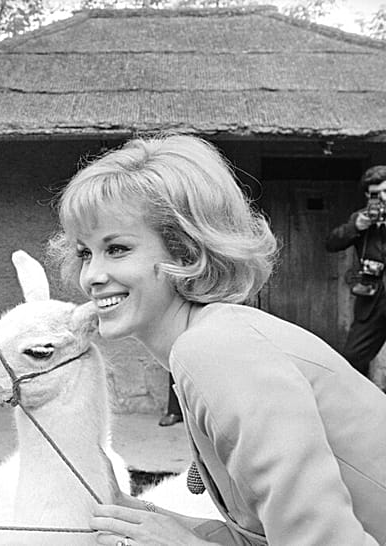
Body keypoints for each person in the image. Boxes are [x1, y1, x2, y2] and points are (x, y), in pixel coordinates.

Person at [48, 135, 386, 545]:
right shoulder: (212, 339)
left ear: (186, 253)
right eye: (85, 253)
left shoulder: (215, 352)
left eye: (117, 249)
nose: (92, 276)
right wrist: (143, 517)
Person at [326, 165, 386, 387]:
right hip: (372, 301)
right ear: (367, 196)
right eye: (376, 194)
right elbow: (331, 243)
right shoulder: (360, 219)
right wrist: (356, 227)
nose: (383, 198)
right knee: (352, 359)